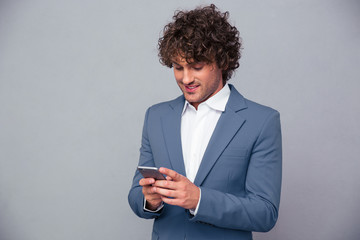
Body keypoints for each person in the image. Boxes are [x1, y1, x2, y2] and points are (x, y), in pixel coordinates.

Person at [128, 4, 282, 240]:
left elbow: (264, 213)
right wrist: (150, 200)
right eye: (178, 67)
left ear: (223, 62)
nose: (186, 78)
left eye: (196, 67)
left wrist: (199, 199)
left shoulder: (261, 121)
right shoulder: (156, 116)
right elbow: (136, 193)